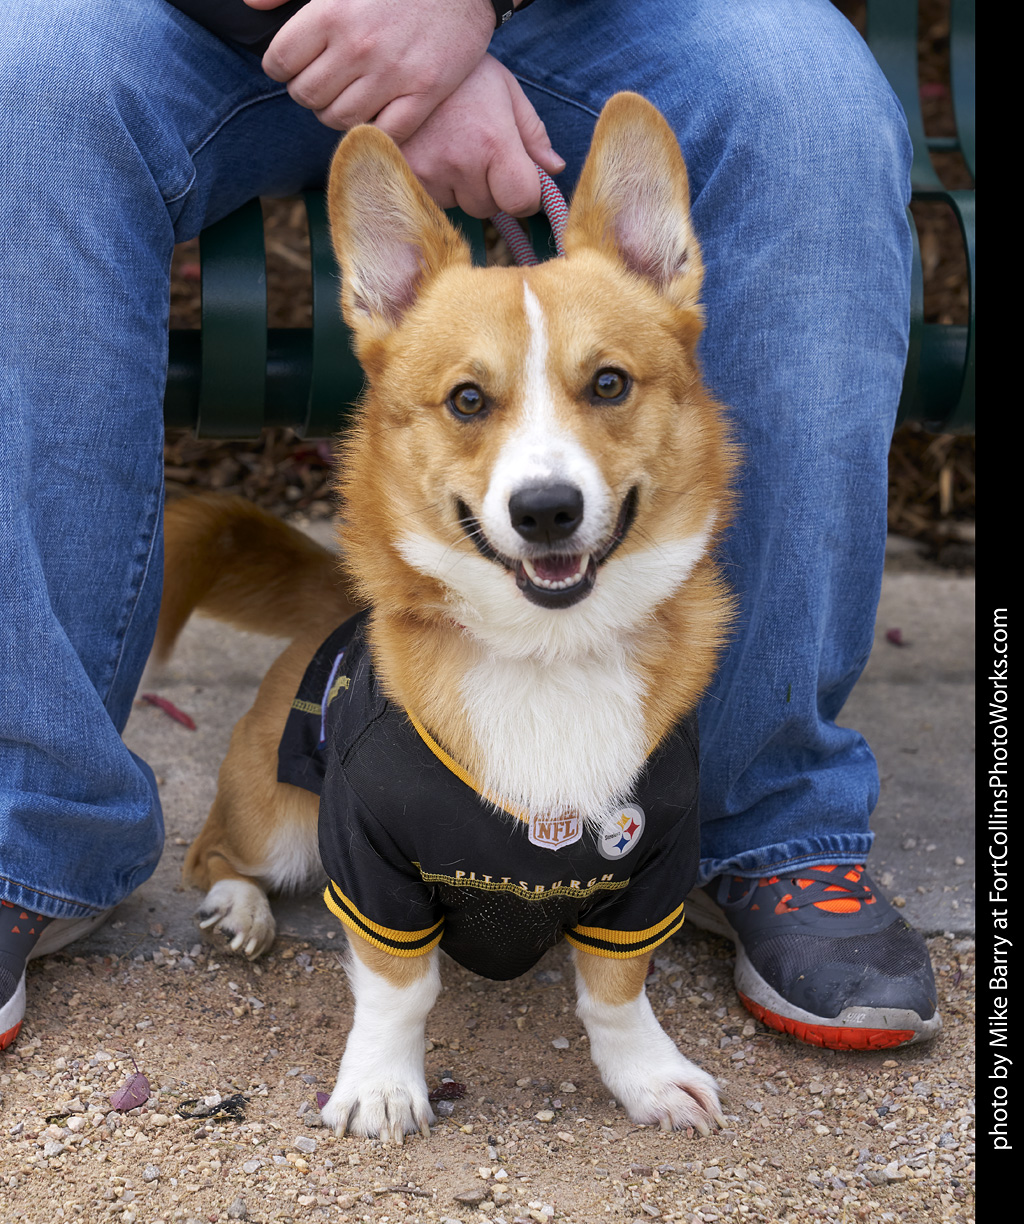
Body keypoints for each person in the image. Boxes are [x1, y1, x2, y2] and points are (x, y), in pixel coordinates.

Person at [0, 0, 939, 1053]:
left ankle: (769, 815)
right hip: (225, 22)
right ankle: (25, 826)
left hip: (592, 15)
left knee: (806, 100)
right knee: (23, 80)